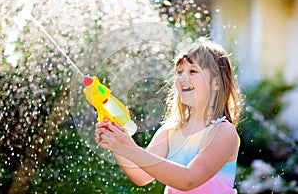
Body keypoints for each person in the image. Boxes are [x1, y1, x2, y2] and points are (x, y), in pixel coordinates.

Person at [95, 38, 243, 193]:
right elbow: (141, 175)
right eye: (180, 72)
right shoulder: (170, 131)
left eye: (193, 71)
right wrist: (117, 142)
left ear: (217, 82)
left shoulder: (223, 132)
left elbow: (188, 179)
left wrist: (129, 148)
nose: (183, 78)